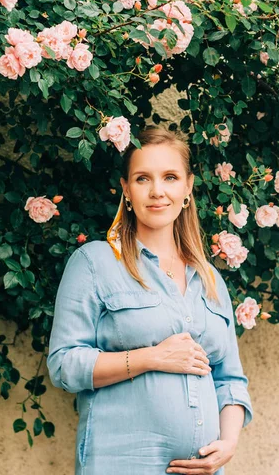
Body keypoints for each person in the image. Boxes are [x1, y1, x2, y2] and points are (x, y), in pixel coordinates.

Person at [47, 126, 253, 475]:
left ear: (187, 188)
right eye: (143, 179)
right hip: (118, 463)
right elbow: (64, 364)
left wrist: (228, 443)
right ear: (126, 190)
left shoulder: (210, 279)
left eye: (170, 177)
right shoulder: (95, 262)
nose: (157, 191)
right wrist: (153, 357)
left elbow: (230, 379)